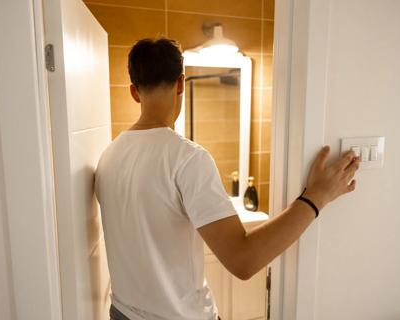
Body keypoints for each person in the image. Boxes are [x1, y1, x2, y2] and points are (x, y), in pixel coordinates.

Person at [94, 37, 360, 320]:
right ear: (182, 83)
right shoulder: (186, 158)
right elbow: (243, 261)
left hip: (121, 313)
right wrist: (317, 196)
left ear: (134, 92)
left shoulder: (109, 156)